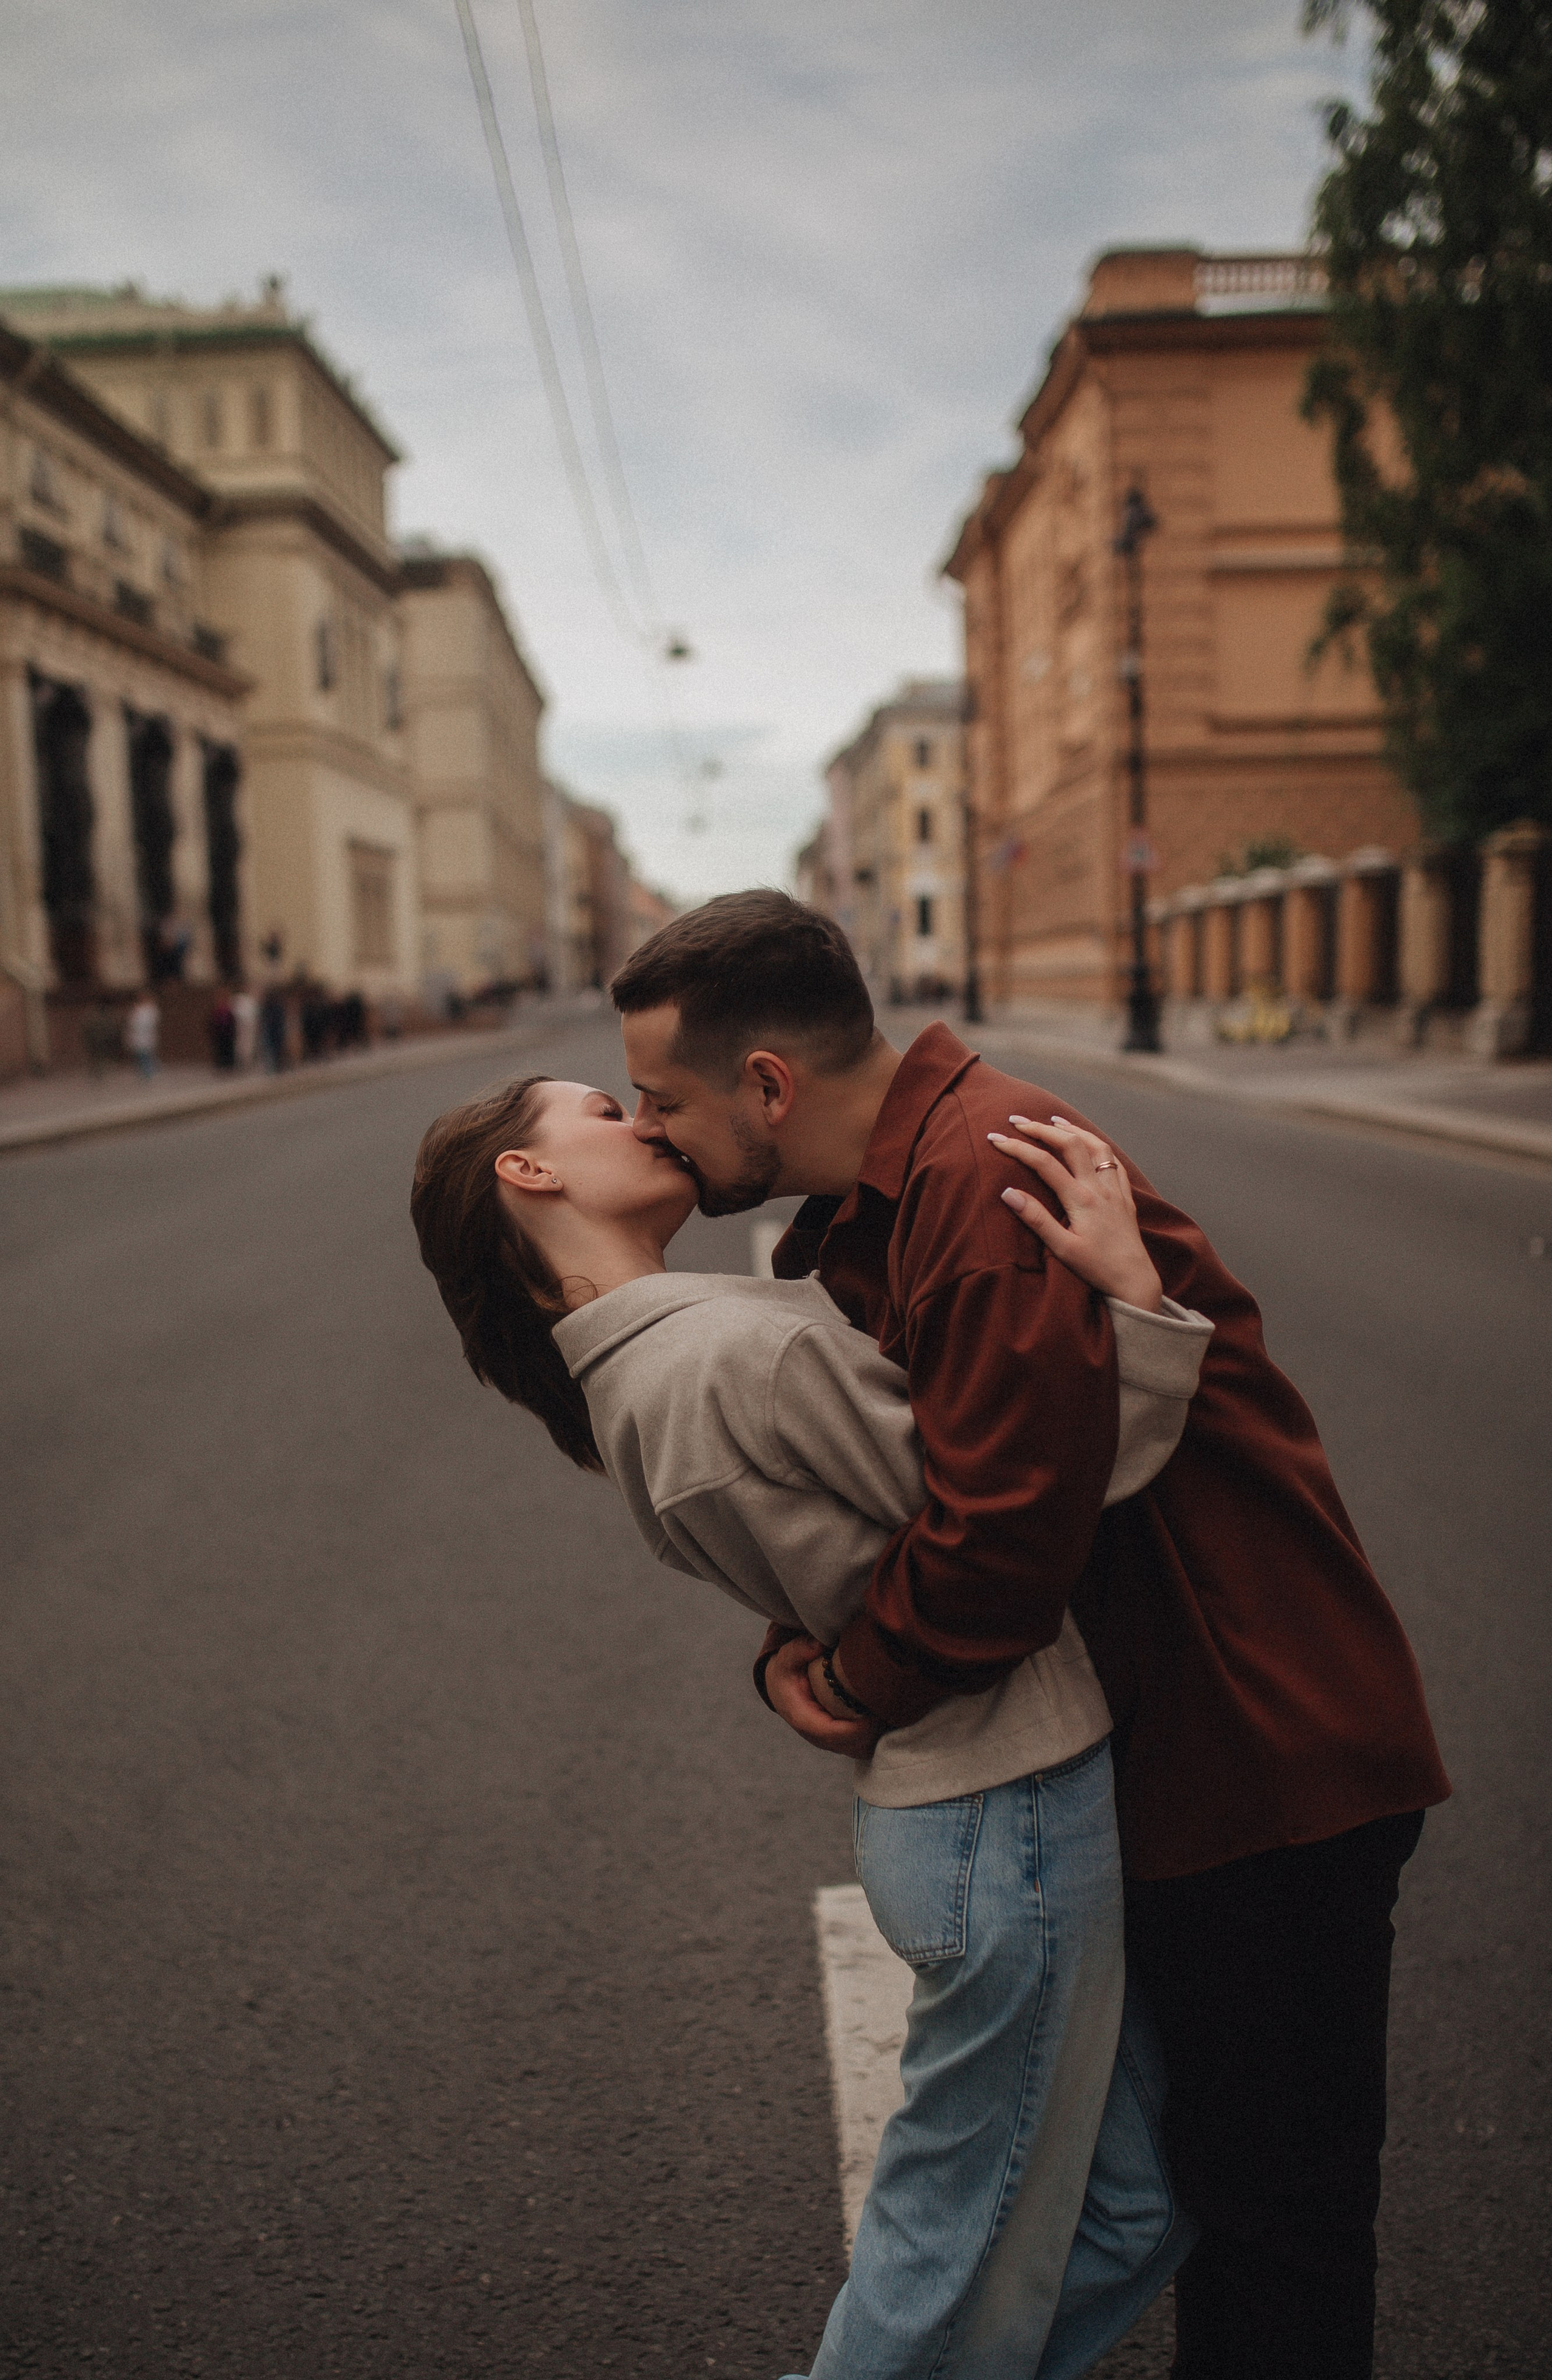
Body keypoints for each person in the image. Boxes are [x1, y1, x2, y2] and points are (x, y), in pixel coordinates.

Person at [610, 890, 1450, 2380]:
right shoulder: (915, 1185)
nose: (647, 1128)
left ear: (767, 1084)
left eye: (660, 1099)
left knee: (1276, 2226)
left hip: (1255, 1754)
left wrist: (850, 1678)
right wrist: (802, 1645)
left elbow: (995, 1545)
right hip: (1187, 1749)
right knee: (1215, 2200)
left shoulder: (984, 1187)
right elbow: (914, 1496)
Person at [411, 1074, 1215, 2380]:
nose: (647, 1119)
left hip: (970, 1806)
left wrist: (812, 1650)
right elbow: (1028, 1507)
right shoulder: (722, 1351)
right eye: (605, 1108)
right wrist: (1136, 1300)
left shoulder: (634, 1368)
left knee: (1135, 2206)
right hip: (1002, 1810)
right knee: (948, 2253)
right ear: (529, 1173)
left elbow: (834, 1549)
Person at [125, 993, 159, 1082]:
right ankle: (146, 1071)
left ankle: (149, 1072)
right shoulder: (138, 1009)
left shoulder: (149, 1009)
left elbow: (145, 1023)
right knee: (141, 1054)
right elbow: (131, 1022)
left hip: (145, 1035)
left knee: (145, 1054)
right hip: (139, 1036)